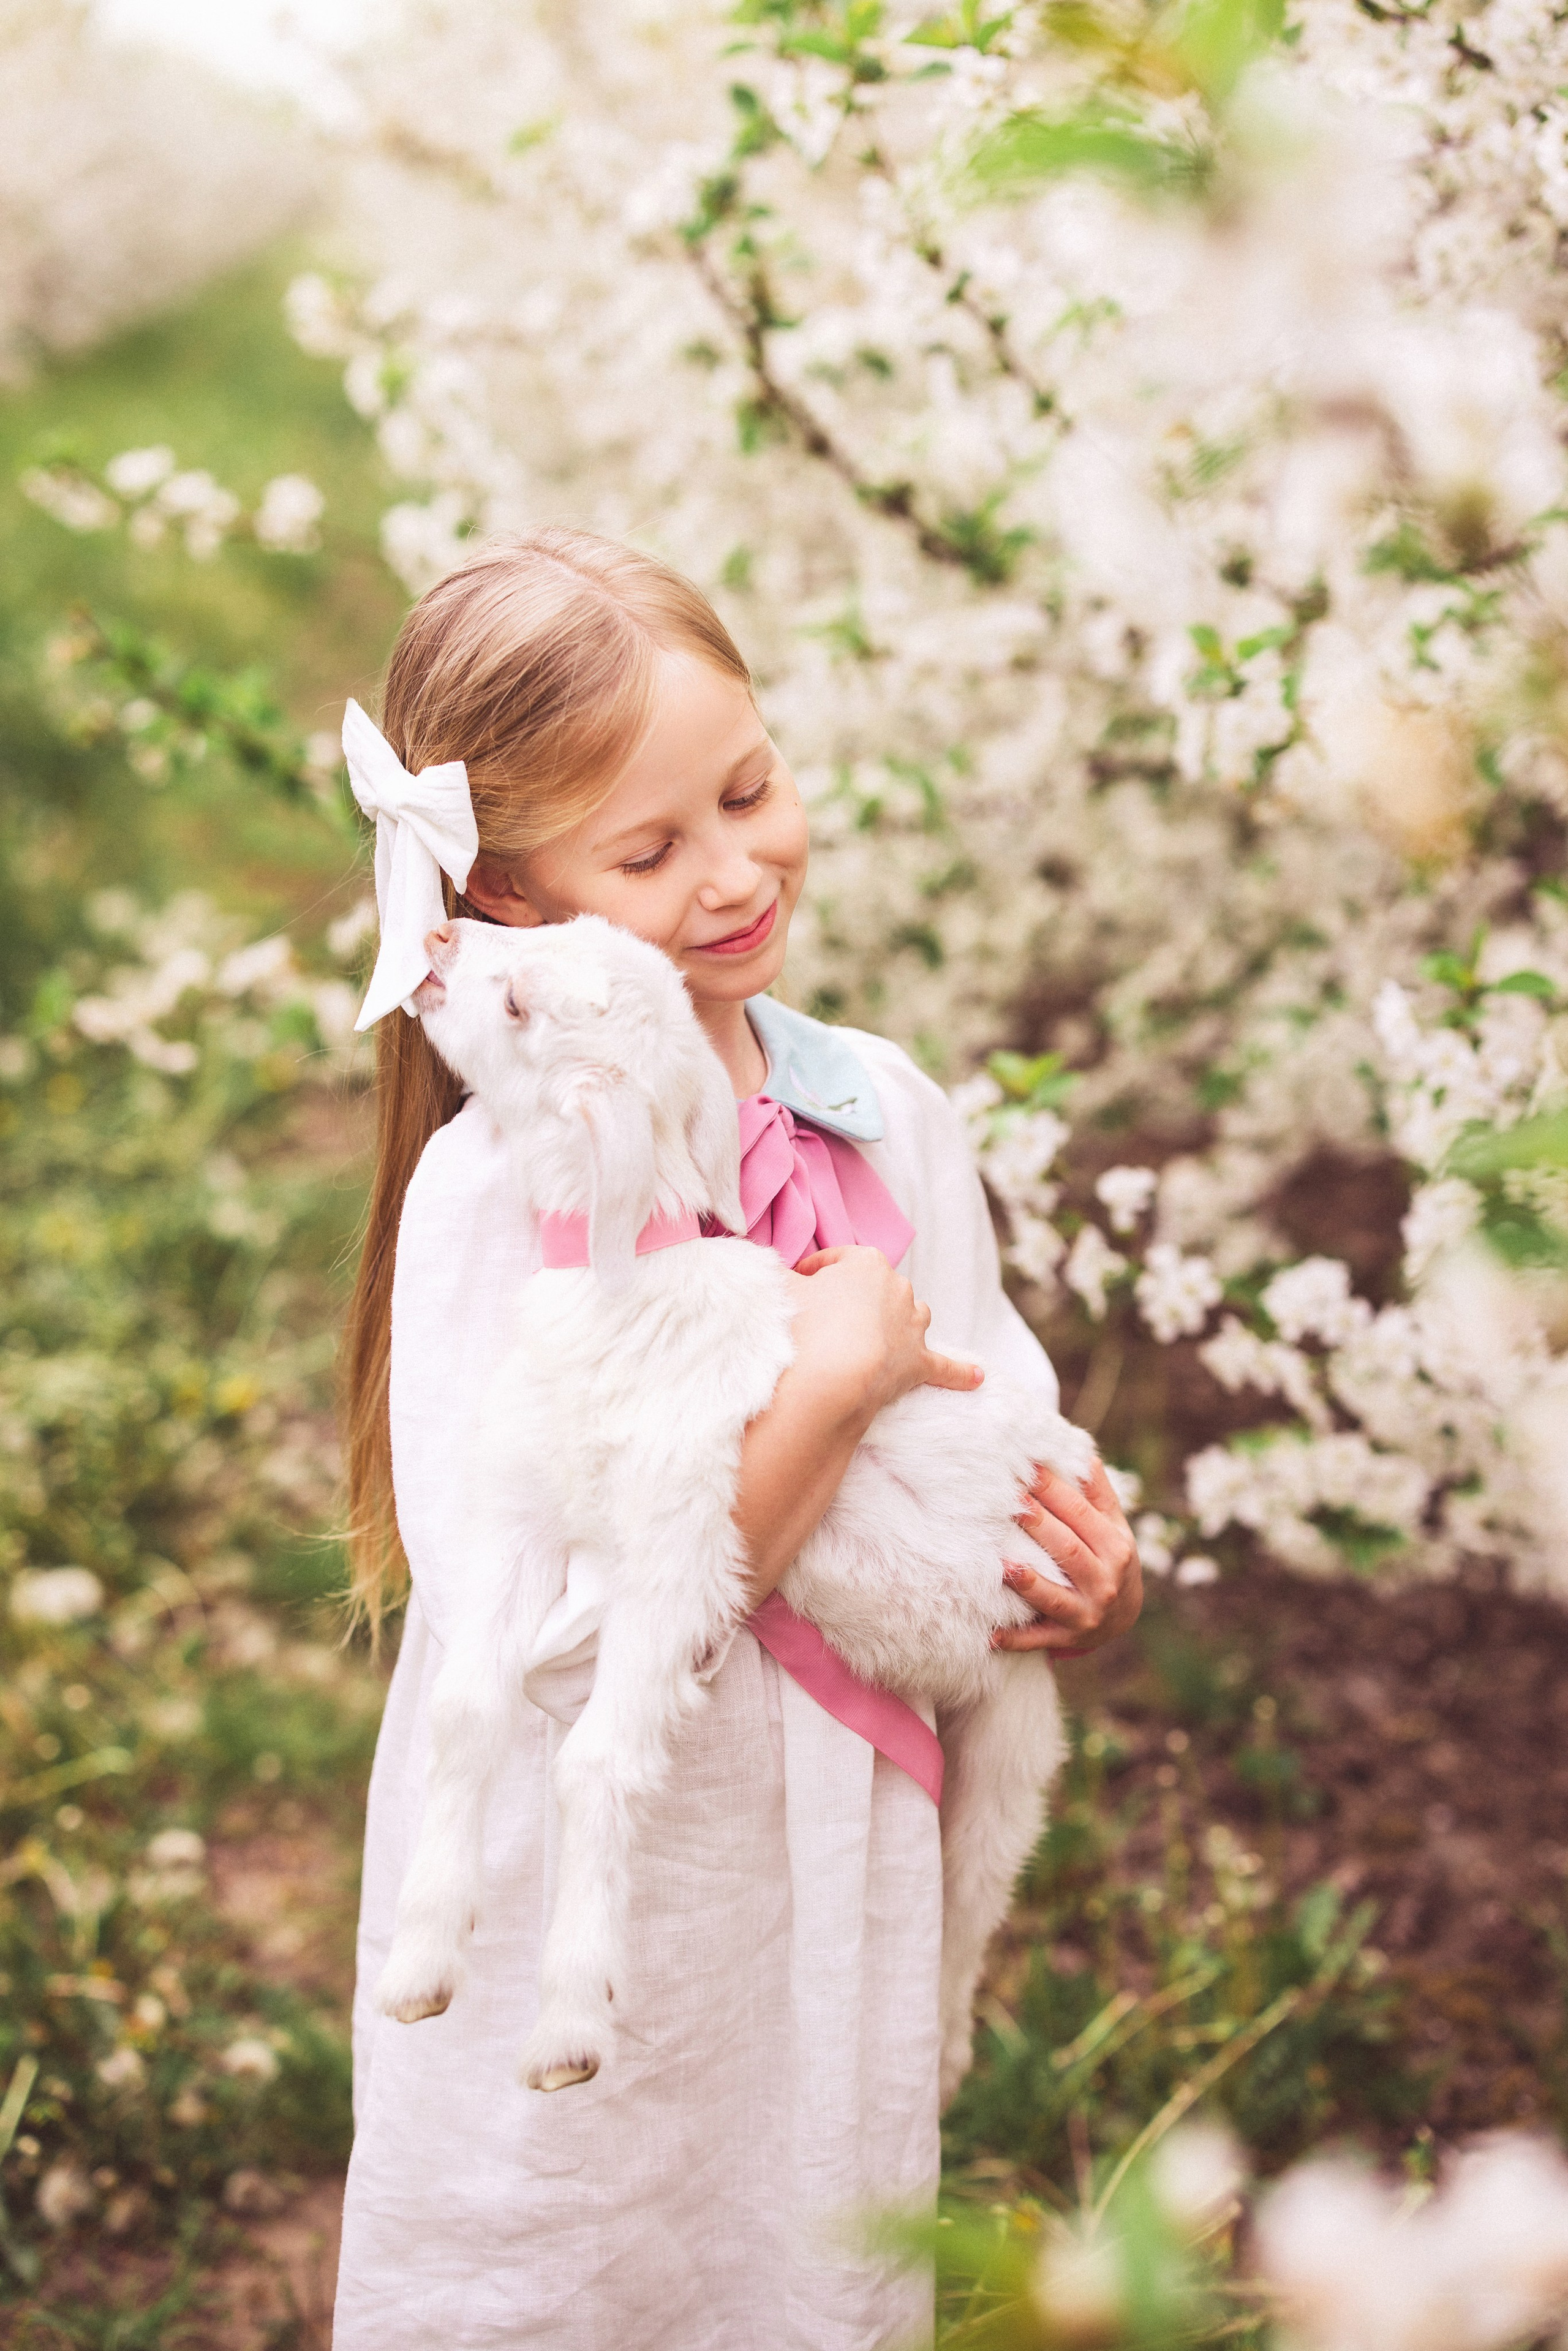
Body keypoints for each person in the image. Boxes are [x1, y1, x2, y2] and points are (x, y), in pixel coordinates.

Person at [331, 527, 1142, 2349]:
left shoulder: (886, 1115)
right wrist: (825, 1389)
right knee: (571, 2260)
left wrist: (1079, 1570)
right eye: (651, 848)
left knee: (794, 2259)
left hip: (829, 1869)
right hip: (583, 1893)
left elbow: (996, 1426)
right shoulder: (504, 1202)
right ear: (516, 907)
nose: (735, 869)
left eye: (752, 789)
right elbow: (550, 1646)